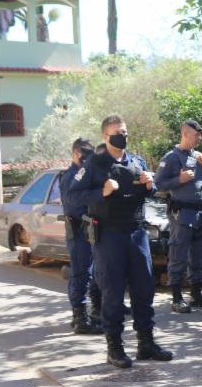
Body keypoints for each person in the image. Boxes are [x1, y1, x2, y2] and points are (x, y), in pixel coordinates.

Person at [68, 114, 172, 369]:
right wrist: (100, 193)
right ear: (105, 136)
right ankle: (114, 347)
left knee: (144, 288)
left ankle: (145, 343)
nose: (122, 136)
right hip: (109, 235)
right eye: (117, 132)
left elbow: (147, 191)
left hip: (137, 233)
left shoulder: (137, 161)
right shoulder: (94, 164)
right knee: (112, 292)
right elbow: (72, 196)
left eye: (124, 131)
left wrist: (150, 185)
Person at [155, 120, 202, 313]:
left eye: (200, 135)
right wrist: (178, 180)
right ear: (185, 135)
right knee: (178, 254)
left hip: (199, 213)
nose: (199, 138)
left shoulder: (198, 156)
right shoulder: (172, 158)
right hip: (182, 213)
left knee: (198, 255)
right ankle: (176, 298)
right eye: (196, 135)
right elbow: (158, 184)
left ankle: (196, 295)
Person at [59, 138, 103, 335]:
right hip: (78, 231)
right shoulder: (69, 176)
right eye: (85, 153)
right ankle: (80, 318)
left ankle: (86, 314)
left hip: (90, 232)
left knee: (92, 273)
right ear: (76, 153)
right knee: (80, 274)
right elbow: (75, 205)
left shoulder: (85, 174)